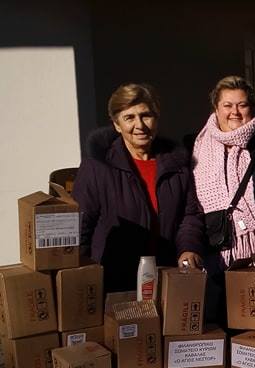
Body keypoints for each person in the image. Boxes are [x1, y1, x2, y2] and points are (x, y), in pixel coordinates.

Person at [73, 83, 204, 292]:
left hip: (166, 278)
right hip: (115, 282)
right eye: (129, 117)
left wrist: (188, 248)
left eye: (146, 115)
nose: (140, 125)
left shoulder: (177, 165)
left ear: (156, 118)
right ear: (117, 125)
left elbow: (189, 215)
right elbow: (81, 226)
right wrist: (82, 282)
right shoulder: (97, 167)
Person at [192, 75, 255, 270]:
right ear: (216, 109)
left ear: (252, 108)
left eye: (242, 105)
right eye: (227, 105)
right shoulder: (197, 151)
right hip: (213, 261)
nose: (235, 112)